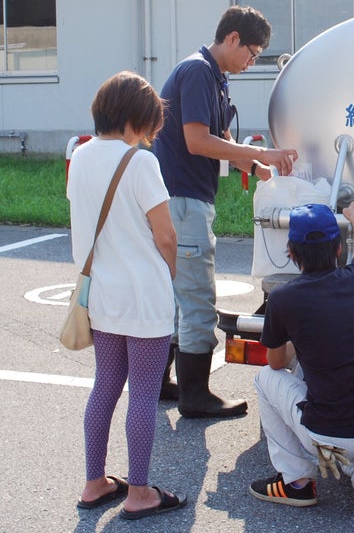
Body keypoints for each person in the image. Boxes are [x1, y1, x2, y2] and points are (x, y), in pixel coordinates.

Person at [153, 5, 298, 419]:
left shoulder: (214, 78)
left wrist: (259, 168)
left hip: (177, 198)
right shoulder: (199, 71)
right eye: (252, 52)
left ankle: (161, 382)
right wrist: (259, 152)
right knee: (197, 297)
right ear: (232, 38)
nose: (252, 62)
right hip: (183, 200)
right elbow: (198, 141)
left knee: (174, 297)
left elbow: (222, 139)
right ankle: (196, 395)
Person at [68, 71, 187, 520]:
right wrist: (168, 276)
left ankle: (95, 482)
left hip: (101, 297)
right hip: (143, 298)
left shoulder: (79, 157)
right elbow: (166, 237)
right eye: (152, 126)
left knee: (105, 385)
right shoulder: (140, 163)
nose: (152, 136)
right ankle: (140, 493)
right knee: (143, 393)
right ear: (138, 119)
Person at [250, 201, 354, 519]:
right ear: (337, 250)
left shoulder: (283, 299)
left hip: (329, 438)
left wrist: (300, 335)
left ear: (291, 252)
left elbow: (276, 362)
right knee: (349, 447)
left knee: (265, 378)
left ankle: (296, 483)